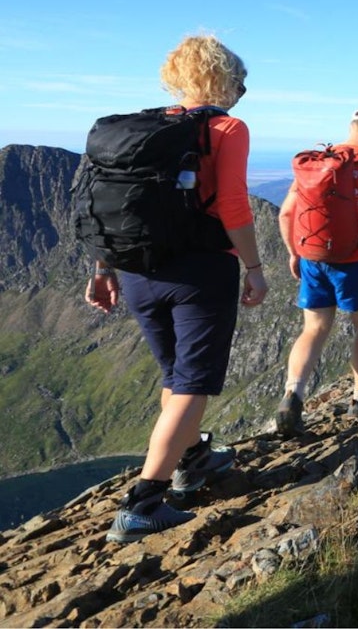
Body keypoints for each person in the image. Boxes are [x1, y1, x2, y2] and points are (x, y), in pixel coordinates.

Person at [84, 33, 269, 542]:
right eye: (240, 79)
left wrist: (103, 269)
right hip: (199, 273)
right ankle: (144, 502)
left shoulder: (143, 130)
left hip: (137, 272)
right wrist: (254, 267)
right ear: (223, 78)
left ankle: (194, 459)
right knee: (192, 382)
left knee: (173, 372)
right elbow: (232, 204)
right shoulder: (226, 128)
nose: (242, 89)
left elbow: (109, 207)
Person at [274, 106, 358, 436]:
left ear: (352, 127)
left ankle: (292, 395)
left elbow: (286, 214)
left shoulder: (316, 162)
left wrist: (294, 253)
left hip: (313, 258)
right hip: (357, 262)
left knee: (313, 328)